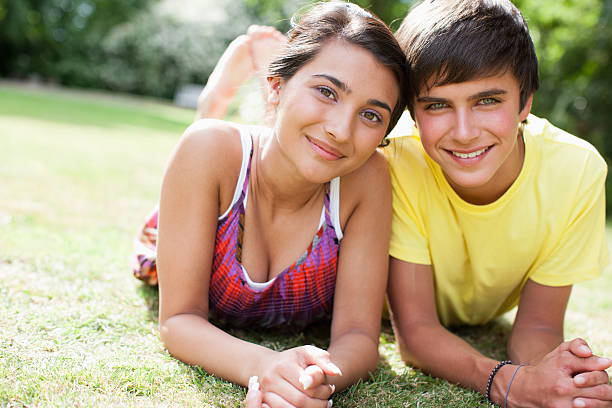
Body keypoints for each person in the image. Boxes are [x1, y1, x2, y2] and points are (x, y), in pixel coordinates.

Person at [132, 2, 408, 407]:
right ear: (276, 85)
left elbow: (360, 339)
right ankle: (215, 100)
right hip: (213, 184)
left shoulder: (367, 177)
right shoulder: (207, 153)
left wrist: (315, 380)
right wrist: (268, 367)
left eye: (370, 115)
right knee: (205, 133)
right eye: (327, 92)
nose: (340, 130)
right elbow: (178, 321)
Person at [384, 0, 612, 407]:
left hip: (481, 316)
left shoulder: (577, 171)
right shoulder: (397, 160)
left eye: (487, 100)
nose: (465, 132)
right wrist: (510, 383)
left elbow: (539, 326)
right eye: (437, 105)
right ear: (413, 114)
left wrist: (563, 384)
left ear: (525, 102)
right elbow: (416, 332)